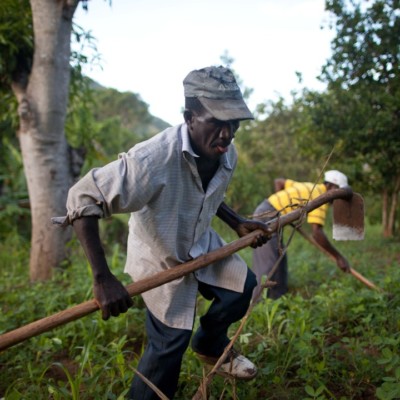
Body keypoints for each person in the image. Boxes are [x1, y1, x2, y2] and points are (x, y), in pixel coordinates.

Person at [53, 66, 270, 400]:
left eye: (235, 122)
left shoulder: (225, 151)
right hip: (159, 255)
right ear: (190, 117)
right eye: (217, 121)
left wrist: (237, 221)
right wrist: (102, 278)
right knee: (169, 344)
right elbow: (82, 197)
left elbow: (210, 192)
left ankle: (210, 344)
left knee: (242, 288)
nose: (227, 134)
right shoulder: (151, 160)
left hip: (199, 241)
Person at [251, 170, 351, 301]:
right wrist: (338, 257)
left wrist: (282, 207)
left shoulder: (309, 186)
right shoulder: (321, 197)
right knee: (268, 265)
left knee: (279, 260)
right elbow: (317, 233)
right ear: (332, 187)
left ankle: (278, 300)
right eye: (338, 193)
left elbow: (279, 182)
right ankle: (257, 304)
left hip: (271, 215)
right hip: (266, 217)